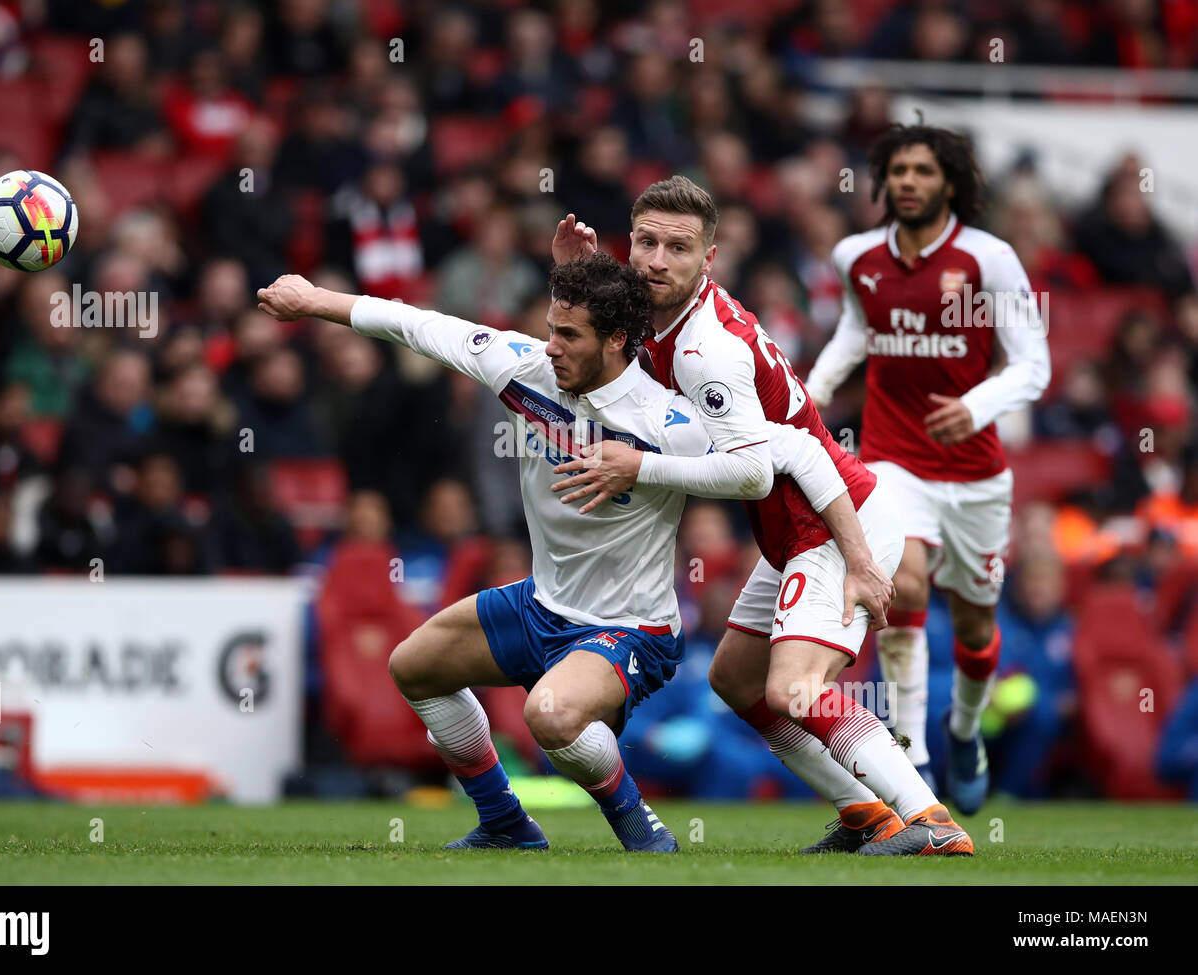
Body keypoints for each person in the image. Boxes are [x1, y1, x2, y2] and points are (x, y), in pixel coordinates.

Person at [257, 253, 853, 852]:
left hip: (630, 627)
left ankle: (640, 830)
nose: (551, 347)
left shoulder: (672, 421)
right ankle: (505, 823)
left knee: (551, 716)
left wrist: (854, 551)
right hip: (541, 604)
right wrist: (313, 301)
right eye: (549, 329)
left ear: (617, 339)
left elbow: (766, 463)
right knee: (414, 666)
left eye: (568, 335)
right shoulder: (525, 370)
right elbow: (419, 325)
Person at [551, 177, 972, 855]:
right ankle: (865, 811)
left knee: (796, 687)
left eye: (678, 248)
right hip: (796, 531)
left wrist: (640, 466)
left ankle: (932, 819)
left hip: (836, 522)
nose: (658, 259)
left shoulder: (704, 350)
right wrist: (576, 271)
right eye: (647, 242)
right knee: (736, 679)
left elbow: (752, 470)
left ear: (708, 260)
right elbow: (585, 347)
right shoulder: (660, 319)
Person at [805, 124, 1051, 814]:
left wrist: (976, 405)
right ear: (884, 183)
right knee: (902, 579)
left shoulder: (987, 258)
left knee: (976, 624)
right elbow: (860, 327)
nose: (909, 181)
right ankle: (911, 747)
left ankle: (964, 729)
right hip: (892, 454)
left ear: (950, 182)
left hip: (974, 472)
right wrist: (815, 391)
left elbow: (1034, 363)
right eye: (898, 170)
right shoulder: (857, 256)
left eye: (923, 170)